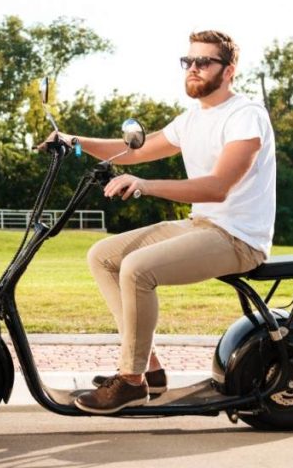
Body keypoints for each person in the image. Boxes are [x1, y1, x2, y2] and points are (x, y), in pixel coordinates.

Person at [37, 30, 276, 414]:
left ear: (229, 71)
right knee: (103, 255)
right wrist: (73, 141)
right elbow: (134, 151)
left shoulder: (246, 116)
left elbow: (217, 188)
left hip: (238, 238)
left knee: (136, 268)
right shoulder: (192, 118)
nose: (193, 69)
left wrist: (145, 186)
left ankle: (130, 382)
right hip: (202, 226)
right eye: (188, 61)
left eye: (204, 62)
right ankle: (149, 368)